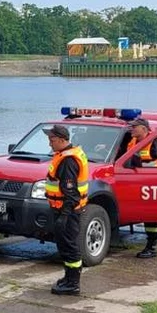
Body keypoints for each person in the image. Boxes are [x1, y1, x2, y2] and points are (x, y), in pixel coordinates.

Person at [117, 117, 157, 258]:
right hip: (136, 185)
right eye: (131, 126)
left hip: (154, 185)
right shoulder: (131, 142)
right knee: (145, 215)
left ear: (144, 129)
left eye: (134, 127)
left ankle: (151, 247)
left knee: (151, 216)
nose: (131, 129)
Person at [43, 124, 89, 295]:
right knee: (65, 245)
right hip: (64, 210)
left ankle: (73, 284)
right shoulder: (66, 154)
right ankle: (68, 278)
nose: (50, 144)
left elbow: (72, 194)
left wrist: (64, 216)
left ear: (62, 140)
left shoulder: (68, 161)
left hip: (67, 211)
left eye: (52, 140)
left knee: (69, 246)